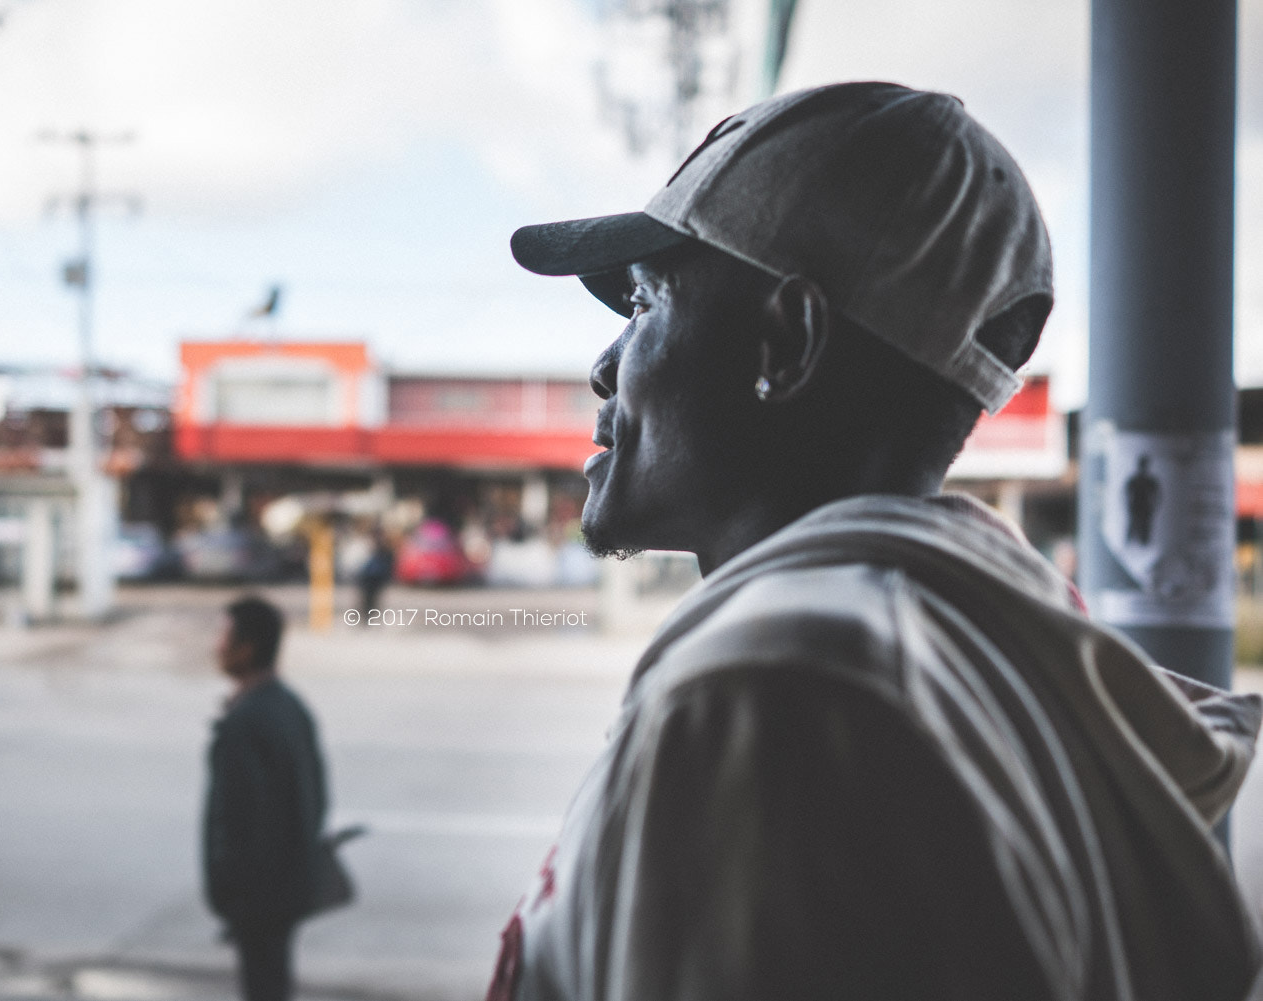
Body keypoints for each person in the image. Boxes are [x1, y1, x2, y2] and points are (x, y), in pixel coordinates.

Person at [490, 81, 1262, 1001]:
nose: (605, 364)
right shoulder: (968, 660)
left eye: (649, 302)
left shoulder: (770, 696)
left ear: (787, 340)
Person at [203, 595, 326, 1001]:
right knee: (273, 984)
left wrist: (232, 895)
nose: (215, 646)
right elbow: (318, 796)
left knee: (263, 988)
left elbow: (237, 821)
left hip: (257, 898)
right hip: (287, 886)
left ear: (247, 647)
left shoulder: (245, 721)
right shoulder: (289, 704)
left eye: (223, 636)